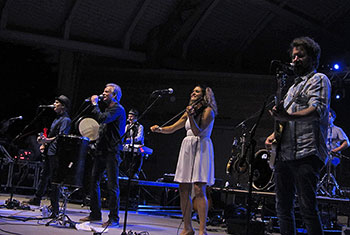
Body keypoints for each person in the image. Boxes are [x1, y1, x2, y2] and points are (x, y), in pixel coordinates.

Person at [265, 36, 331, 235]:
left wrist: (287, 116)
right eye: (293, 56)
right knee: (282, 209)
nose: (295, 59)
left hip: (307, 152)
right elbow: (286, 120)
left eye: (300, 56)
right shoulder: (292, 87)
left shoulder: (319, 79)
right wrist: (273, 134)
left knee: (307, 208)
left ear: (312, 58)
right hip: (285, 155)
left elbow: (316, 111)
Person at [150, 85, 217, 235]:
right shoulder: (189, 111)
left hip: (201, 147)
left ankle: (202, 229)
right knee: (183, 188)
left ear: (204, 96)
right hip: (187, 147)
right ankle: (188, 228)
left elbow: (197, 131)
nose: (193, 93)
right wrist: (160, 129)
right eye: (192, 91)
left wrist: (191, 116)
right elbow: (173, 127)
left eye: (197, 91)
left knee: (199, 189)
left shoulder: (208, 111)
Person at [80, 83, 126, 228]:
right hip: (102, 150)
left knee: (113, 185)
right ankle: (95, 213)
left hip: (112, 151)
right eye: (104, 91)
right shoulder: (108, 108)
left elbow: (102, 118)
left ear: (115, 95)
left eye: (107, 92)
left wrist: (94, 104)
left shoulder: (118, 109)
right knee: (94, 181)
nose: (103, 94)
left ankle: (114, 218)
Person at [25, 95, 71, 218]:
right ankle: (37, 198)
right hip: (49, 151)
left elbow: (61, 137)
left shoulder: (65, 120)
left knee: (53, 180)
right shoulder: (57, 119)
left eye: (57, 102)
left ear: (63, 106)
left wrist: (47, 140)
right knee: (44, 175)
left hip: (56, 153)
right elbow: (52, 135)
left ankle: (54, 207)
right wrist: (44, 142)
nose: (54, 104)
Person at [124, 108, 145, 179]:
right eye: (128, 116)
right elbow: (123, 135)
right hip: (129, 145)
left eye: (131, 116)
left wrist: (131, 139)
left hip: (139, 146)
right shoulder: (127, 126)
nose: (129, 118)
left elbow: (139, 137)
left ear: (135, 117)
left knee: (139, 155)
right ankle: (126, 172)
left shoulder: (140, 126)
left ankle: (135, 172)